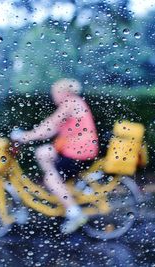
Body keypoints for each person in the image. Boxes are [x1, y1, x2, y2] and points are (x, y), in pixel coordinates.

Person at [10, 78, 99, 233]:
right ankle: (64, 190)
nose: (53, 96)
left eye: (55, 93)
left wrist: (24, 136)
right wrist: (31, 135)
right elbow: (51, 130)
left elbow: (49, 125)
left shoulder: (70, 103)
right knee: (43, 152)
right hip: (79, 151)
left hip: (79, 153)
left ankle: (74, 212)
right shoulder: (75, 103)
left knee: (50, 178)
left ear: (63, 92)